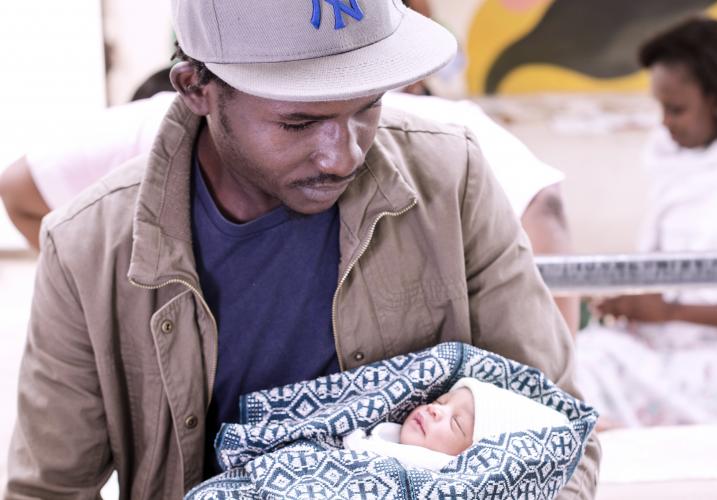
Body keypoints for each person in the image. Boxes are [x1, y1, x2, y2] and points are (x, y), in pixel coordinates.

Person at [5, 1, 598, 498]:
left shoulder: (451, 179)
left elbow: (562, 435)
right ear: (196, 88)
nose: (343, 155)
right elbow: (50, 491)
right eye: (298, 123)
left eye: (367, 106)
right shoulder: (87, 249)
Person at [576, 17, 717, 428]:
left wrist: (668, 310)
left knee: (596, 376)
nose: (665, 122)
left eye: (676, 109)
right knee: (575, 356)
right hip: (666, 336)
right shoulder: (676, 160)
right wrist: (631, 303)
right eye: (661, 108)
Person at [344, 377, 569, 471]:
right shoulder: (380, 435)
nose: (434, 410)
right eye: (440, 401)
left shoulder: (443, 473)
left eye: (455, 423)